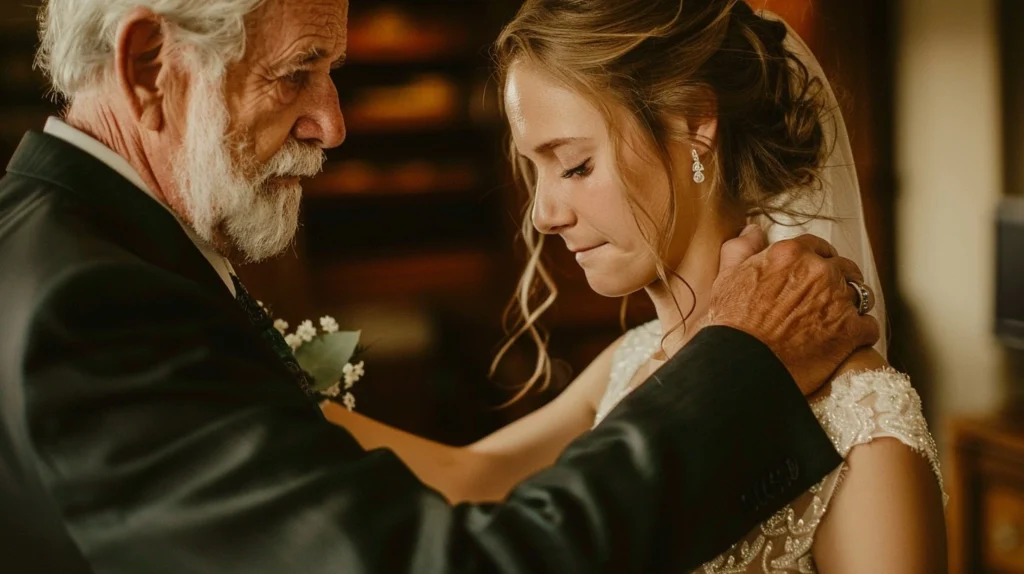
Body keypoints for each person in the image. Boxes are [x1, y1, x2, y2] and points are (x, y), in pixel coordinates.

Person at [0, 0, 876, 572]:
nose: (331, 123)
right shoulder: (94, 309)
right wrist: (742, 364)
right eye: (298, 69)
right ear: (150, 66)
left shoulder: (79, 254)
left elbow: (466, 479)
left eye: (574, 163)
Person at [323, 1, 948, 572]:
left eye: (574, 165)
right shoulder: (628, 363)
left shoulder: (860, 422)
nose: (544, 214)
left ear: (694, 122)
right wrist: (276, 396)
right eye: (534, 169)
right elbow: (471, 474)